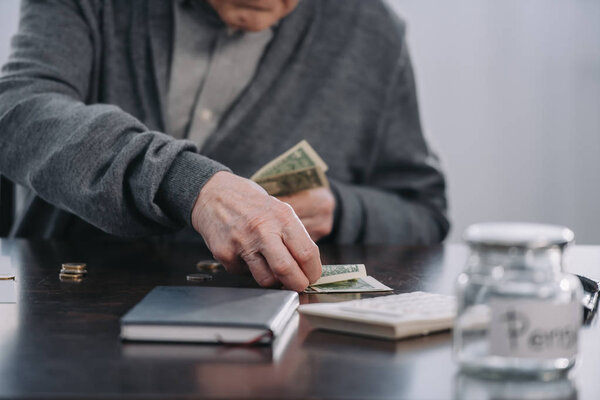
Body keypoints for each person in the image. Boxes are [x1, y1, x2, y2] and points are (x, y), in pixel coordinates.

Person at [0, 0, 449, 291]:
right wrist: (192, 186)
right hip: (67, 313)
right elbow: (17, 109)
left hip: (278, 348)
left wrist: (342, 210)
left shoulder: (374, 33)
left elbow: (424, 213)